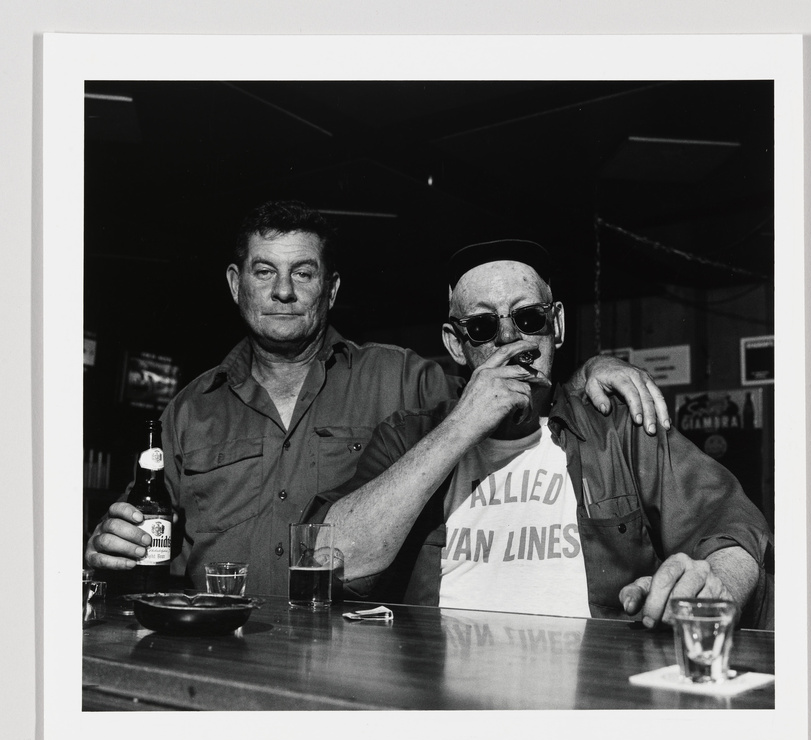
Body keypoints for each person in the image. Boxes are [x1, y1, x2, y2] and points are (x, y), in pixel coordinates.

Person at [85, 202, 671, 597]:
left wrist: (587, 371)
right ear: (237, 284)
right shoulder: (188, 408)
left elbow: (509, 394)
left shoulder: (402, 378)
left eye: (304, 273)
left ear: (332, 289)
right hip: (213, 645)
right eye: (265, 272)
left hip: (346, 655)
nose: (283, 290)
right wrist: (109, 545)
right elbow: (150, 528)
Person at [313, 239, 772, 627]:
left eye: (528, 318)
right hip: (441, 694)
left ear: (557, 326)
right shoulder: (407, 438)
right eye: (483, 326)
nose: (511, 339)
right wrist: (462, 426)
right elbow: (333, 560)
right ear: (455, 343)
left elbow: (734, 526)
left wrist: (716, 585)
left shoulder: (617, 431)